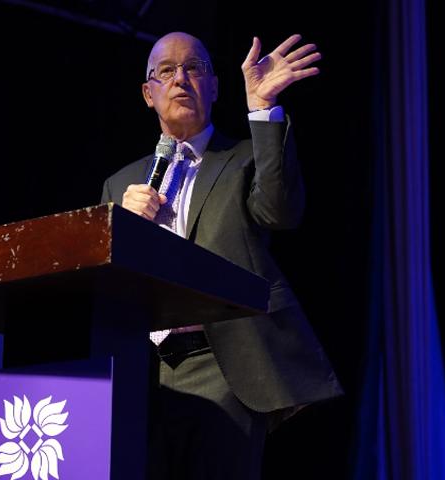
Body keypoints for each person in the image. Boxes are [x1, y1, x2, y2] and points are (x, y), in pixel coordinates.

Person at [100, 32, 342, 480]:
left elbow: (280, 211)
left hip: (223, 368)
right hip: (142, 374)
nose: (181, 80)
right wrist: (118, 226)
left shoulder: (244, 158)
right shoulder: (121, 184)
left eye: (195, 68)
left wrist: (262, 110)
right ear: (147, 93)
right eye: (167, 71)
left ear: (214, 85)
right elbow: (105, 287)